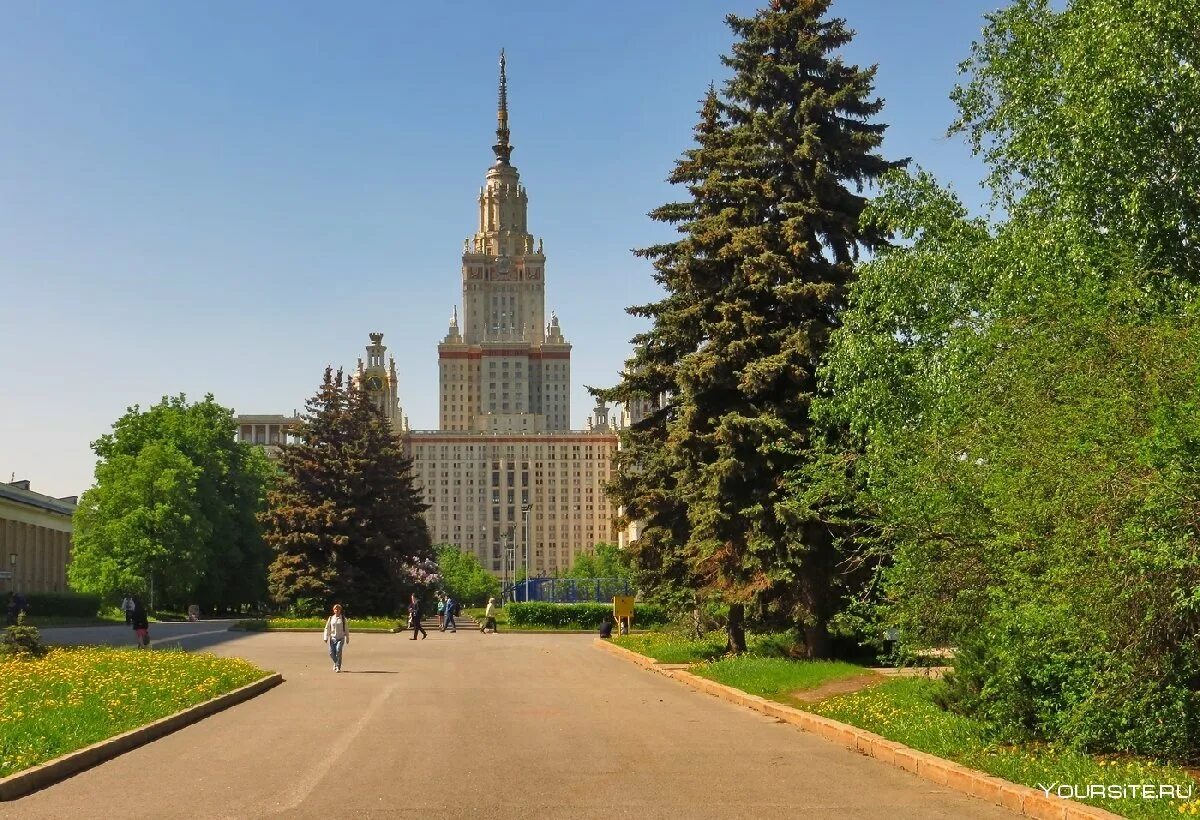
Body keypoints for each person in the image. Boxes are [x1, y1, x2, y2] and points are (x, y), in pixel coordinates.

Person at [322, 603, 349, 672]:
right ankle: (336, 662)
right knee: (331, 653)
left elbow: (346, 629)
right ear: (333, 610)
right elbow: (327, 628)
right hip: (332, 638)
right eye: (335, 609)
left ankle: (338, 667)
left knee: (338, 650)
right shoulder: (331, 618)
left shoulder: (343, 619)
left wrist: (347, 638)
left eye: (338, 609)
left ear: (340, 610)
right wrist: (325, 637)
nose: (337, 610)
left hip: (341, 638)